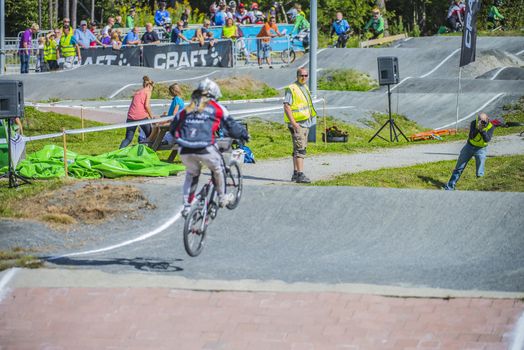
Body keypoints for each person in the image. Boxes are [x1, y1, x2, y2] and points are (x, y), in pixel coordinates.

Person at [169, 78, 249, 215]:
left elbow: (173, 125)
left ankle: (187, 206)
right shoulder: (217, 108)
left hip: (184, 148)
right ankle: (222, 197)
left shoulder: (188, 107)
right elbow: (232, 127)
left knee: (191, 173)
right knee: (218, 169)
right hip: (204, 146)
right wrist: (244, 134)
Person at [443, 113, 495, 190]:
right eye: (480, 120)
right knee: (459, 168)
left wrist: (482, 130)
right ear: (478, 119)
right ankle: (450, 187)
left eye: (483, 121)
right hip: (469, 146)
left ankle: (481, 189)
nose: (482, 122)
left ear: (487, 119)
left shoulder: (491, 126)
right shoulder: (474, 123)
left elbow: (487, 139)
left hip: (481, 149)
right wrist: (477, 129)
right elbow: (471, 136)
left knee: (480, 172)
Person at [283, 68, 317, 183]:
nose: (304, 77)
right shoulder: (292, 88)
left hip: (304, 123)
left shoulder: (304, 87)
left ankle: (296, 173)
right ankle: (300, 174)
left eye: (306, 75)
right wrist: (293, 123)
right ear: (297, 76)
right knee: (300, 150)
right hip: (298, 124)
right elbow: (287, 106)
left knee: (297, 149)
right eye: (301, 75)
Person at [120, 76, 156, 149]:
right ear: (150, 86)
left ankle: (118, 153)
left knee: (128, 138)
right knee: (150, 136)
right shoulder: (148, 91)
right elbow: (146, 105)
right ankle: (150, 152)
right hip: (141, 116)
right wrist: (151, 116)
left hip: (131, 116)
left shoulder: (138, 92)